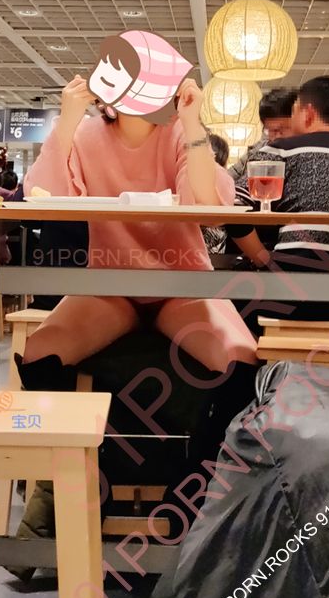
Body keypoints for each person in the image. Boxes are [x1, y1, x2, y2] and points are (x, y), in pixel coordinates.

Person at [19, 74, 257, 387]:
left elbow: (209, 206)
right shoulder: (86, 135)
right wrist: (67, 122)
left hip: (182, 284)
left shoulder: (177, 130)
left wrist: (192, 123)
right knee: (40, 354)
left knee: (240, 359)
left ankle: (211, 424)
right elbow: (44, 196)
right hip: (111, 286)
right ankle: (81, 422)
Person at [233, 76, 329, 274]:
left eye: (294, 111)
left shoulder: (280, 151)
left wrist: (263, 260)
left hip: (297, 279)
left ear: (308, 114)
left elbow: (234, 206)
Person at [228, 87, 297, 185]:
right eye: (271, 131)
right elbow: (229, 177)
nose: (277, 137)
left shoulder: (306, 157)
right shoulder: (259, 149)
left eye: (282, 129)